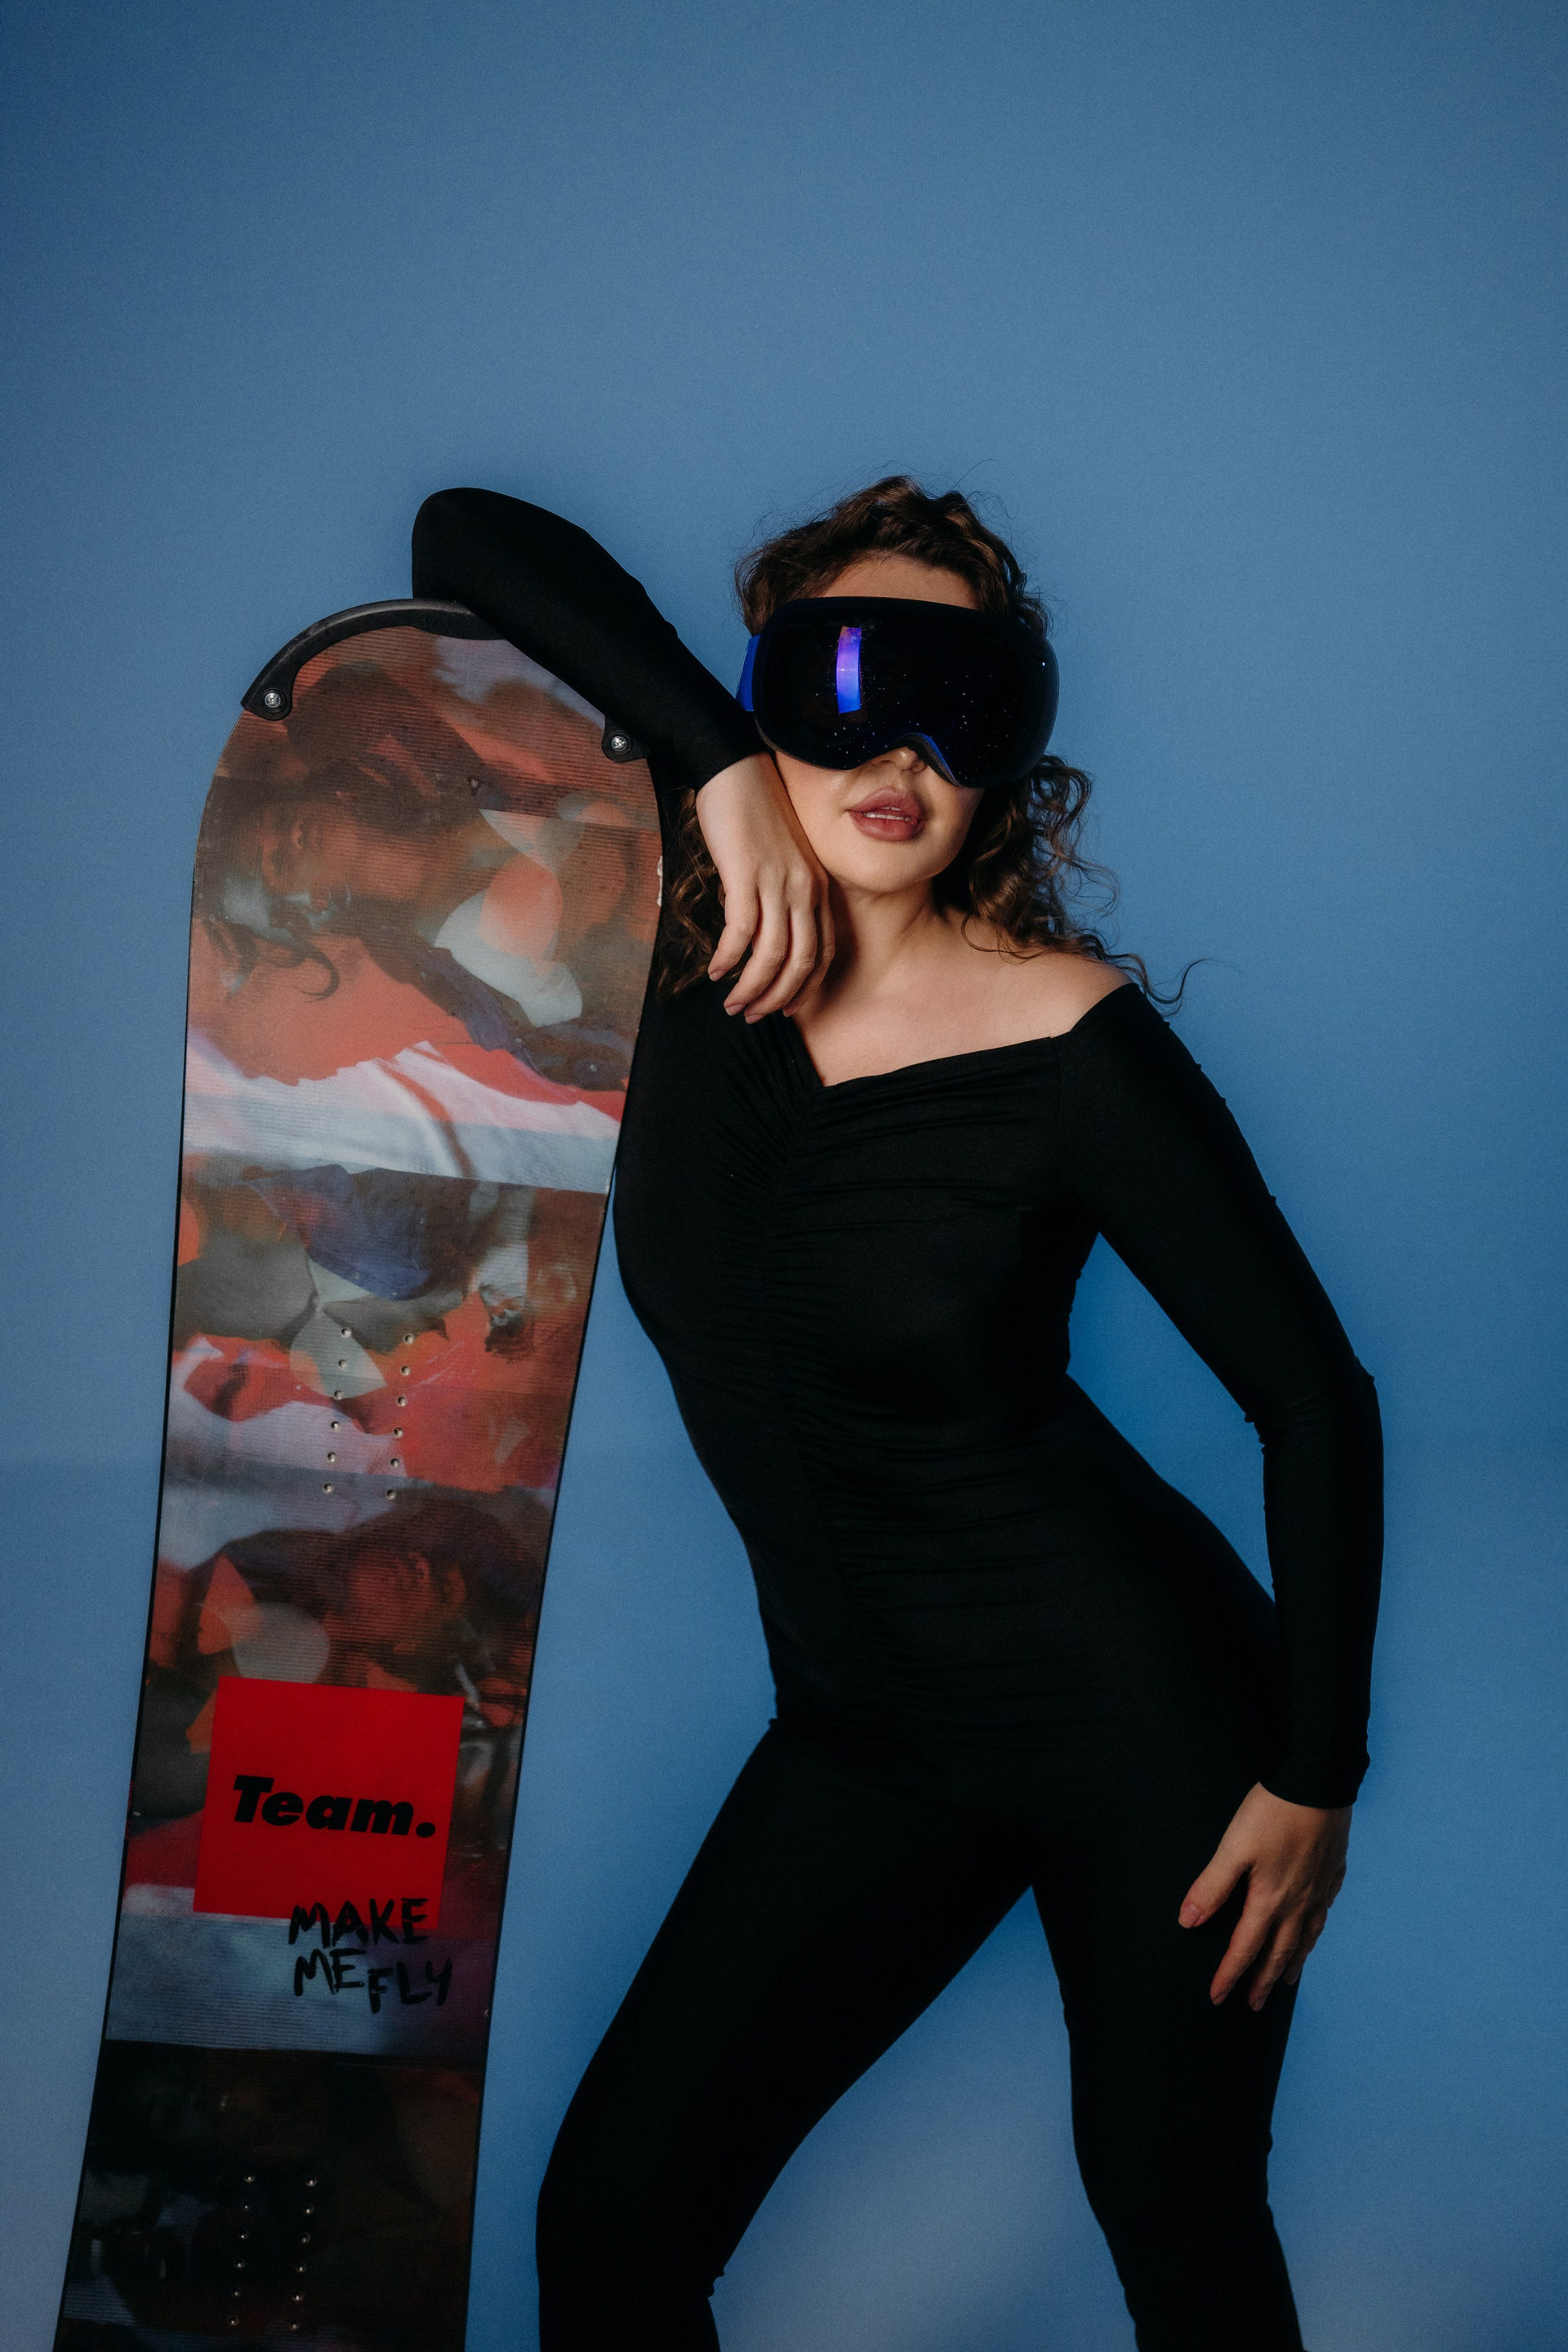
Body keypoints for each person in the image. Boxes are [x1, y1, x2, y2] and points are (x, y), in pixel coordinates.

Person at [411, 475, 1383, 2352]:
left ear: (1010, 758)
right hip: (864, 1739)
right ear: (764, 690)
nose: (902, 755)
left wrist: (1316, 1777)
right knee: (613, 2222)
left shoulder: (1068, 1039)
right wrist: (710, 768)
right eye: (848, 681)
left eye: (966, 708)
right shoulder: (682, 922)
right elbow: (464, 533)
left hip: (1150, 1730)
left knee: (1174, 2213)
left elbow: (1314, 1398)